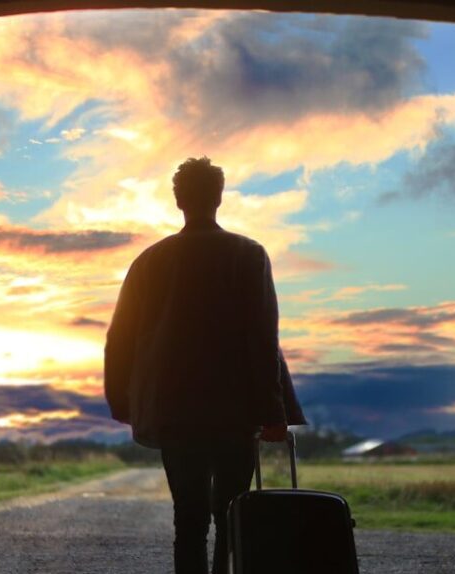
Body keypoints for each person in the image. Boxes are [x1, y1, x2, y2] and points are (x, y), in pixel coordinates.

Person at [104, 157, 306, 574]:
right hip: (236, 410)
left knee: (188, 519)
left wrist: (123, 402)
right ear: (219, 197)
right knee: (233, 515)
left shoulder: (148, 261)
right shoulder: (248, 254)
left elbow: (119, 338)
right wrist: (274, 413)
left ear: (179, 201)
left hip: (172, 410)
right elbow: (263, 339)